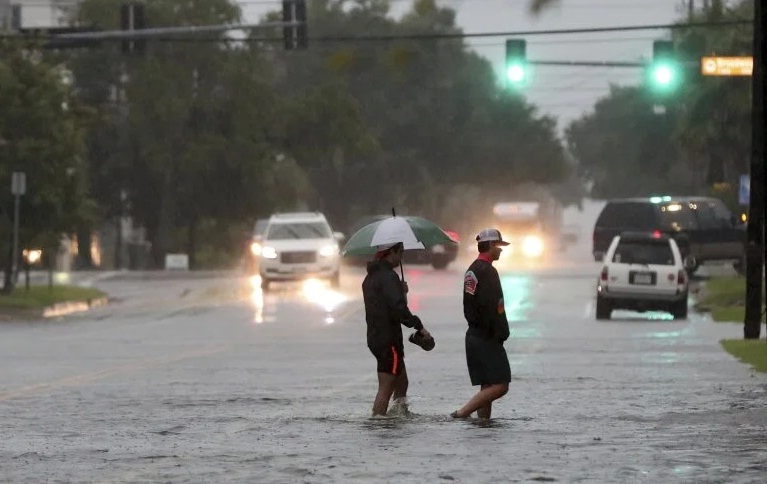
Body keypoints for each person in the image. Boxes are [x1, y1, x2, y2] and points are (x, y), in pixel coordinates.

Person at [362, 241, 432, 416]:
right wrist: (418, 326)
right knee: (387, 385)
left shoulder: (371, 277)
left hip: (376, 337)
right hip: (388, 341)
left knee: (402, 382)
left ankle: (399, 416)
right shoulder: (388, 277)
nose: (402, 257)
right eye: (400, 252)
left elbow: (387, 304)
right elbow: (399, 309)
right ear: (391, 251)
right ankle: (378, 422)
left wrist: (401, 292)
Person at [451, 228, 511, 420]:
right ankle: (462, 412)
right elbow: (494, 307)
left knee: (487, 385)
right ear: (491, 245)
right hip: (487, 336)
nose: (501, 250)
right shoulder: (488, 272)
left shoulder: (472, 270)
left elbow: (469, 305)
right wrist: (502, 332)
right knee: (501, 385)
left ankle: (483, 423)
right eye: (499, 246)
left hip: (474, 334)